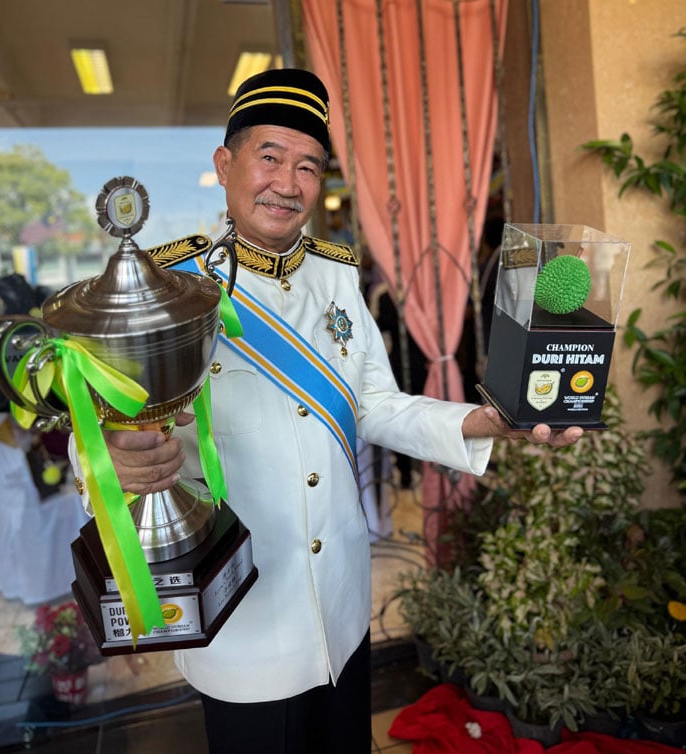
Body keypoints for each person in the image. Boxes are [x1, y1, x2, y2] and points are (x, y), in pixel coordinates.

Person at [76, 68, 583, 754]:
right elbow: (100, 425)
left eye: (308, 166)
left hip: (340, 610)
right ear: (224, 166)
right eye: (269, 157)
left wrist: (481, 421)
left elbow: (374, 403)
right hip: (244, 621)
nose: (287, 183)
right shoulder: (165, 285)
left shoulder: (336, 273)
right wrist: (116, 458)